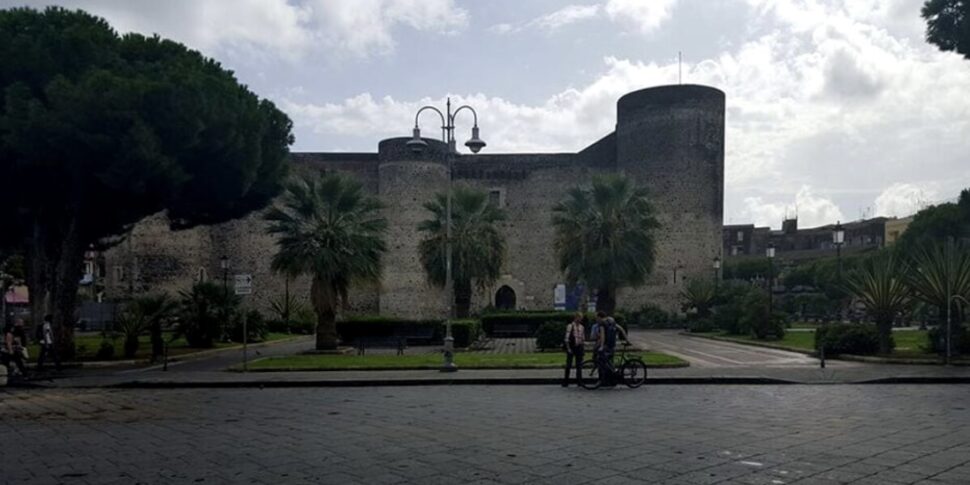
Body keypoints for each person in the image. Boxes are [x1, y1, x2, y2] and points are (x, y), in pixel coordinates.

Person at [595, 313, 629, 385]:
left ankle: (603, 380)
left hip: (606, 345)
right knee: (610, 362)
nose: (596, 320)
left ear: (599, 317)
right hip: (612, 345)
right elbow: (621, 329)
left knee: (601, 360)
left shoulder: (602, 324)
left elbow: (603, 336)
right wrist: (627, 340)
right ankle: (612, 380)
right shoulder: (612, 322)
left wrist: (601, 346)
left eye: (597, 318)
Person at [562, 312, 585, 387]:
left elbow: (582, 338)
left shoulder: (582, 327)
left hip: (579, 346)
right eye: (579, 317)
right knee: (568, 364)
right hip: (572, 346)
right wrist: (568, 348)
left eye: (581, 318)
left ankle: (579, 381)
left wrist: (582, 346)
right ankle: (566, 381)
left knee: (579, 365)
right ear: (576, 317)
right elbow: (567, 338)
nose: (580, 319)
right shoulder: (570, 326)